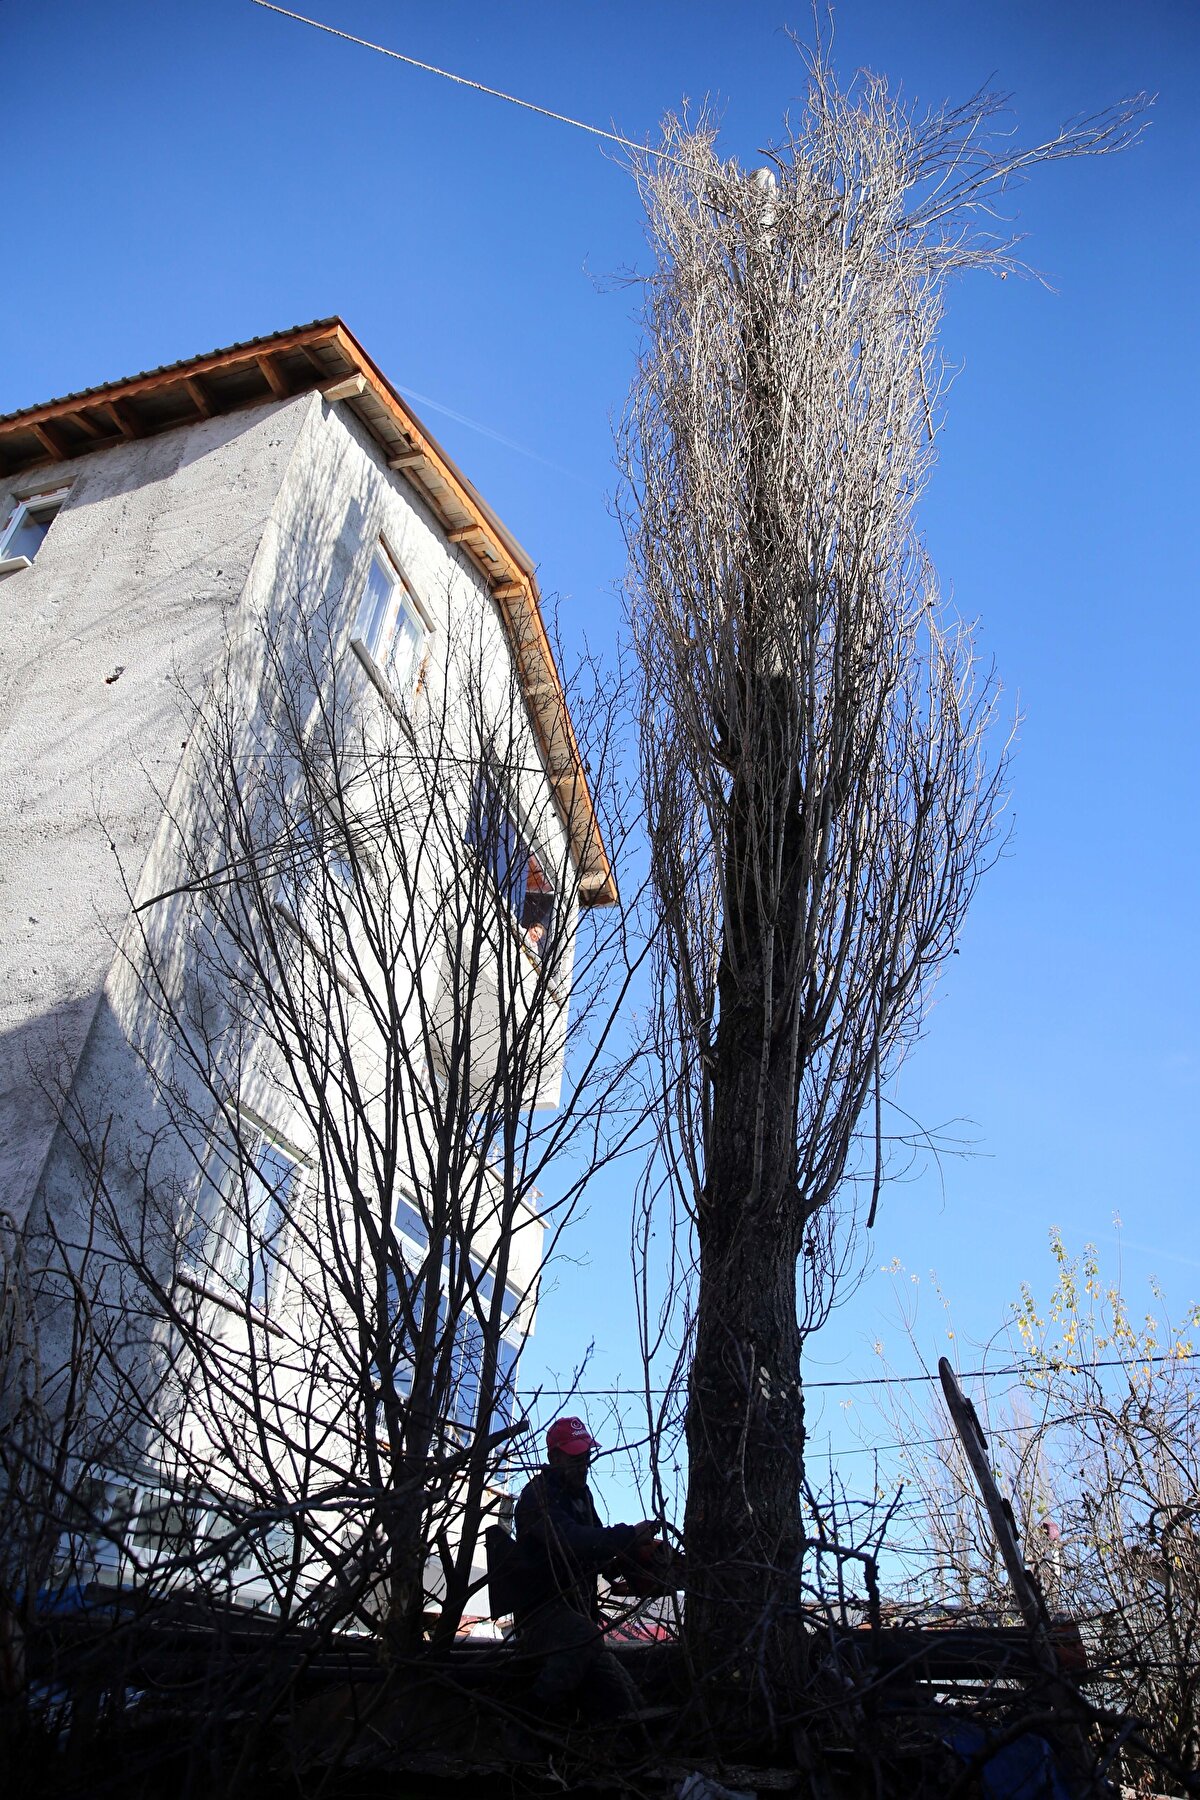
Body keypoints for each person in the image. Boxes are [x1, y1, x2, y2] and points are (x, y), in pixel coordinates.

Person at [510, 1416, 657, 1719]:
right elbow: (572, 1539)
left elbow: (599, 1551)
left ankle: (631, 1738)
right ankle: (530, 1720)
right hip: (542, 1618)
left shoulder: (582, 1497)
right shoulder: (537, 1498)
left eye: (586, 1457)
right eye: (575, 1458)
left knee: (627, 1698)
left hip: (577, 1622)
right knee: (583, 1636)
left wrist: (634, 1561)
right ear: (554, 1457)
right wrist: (628, 1535)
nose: (583, 1465)